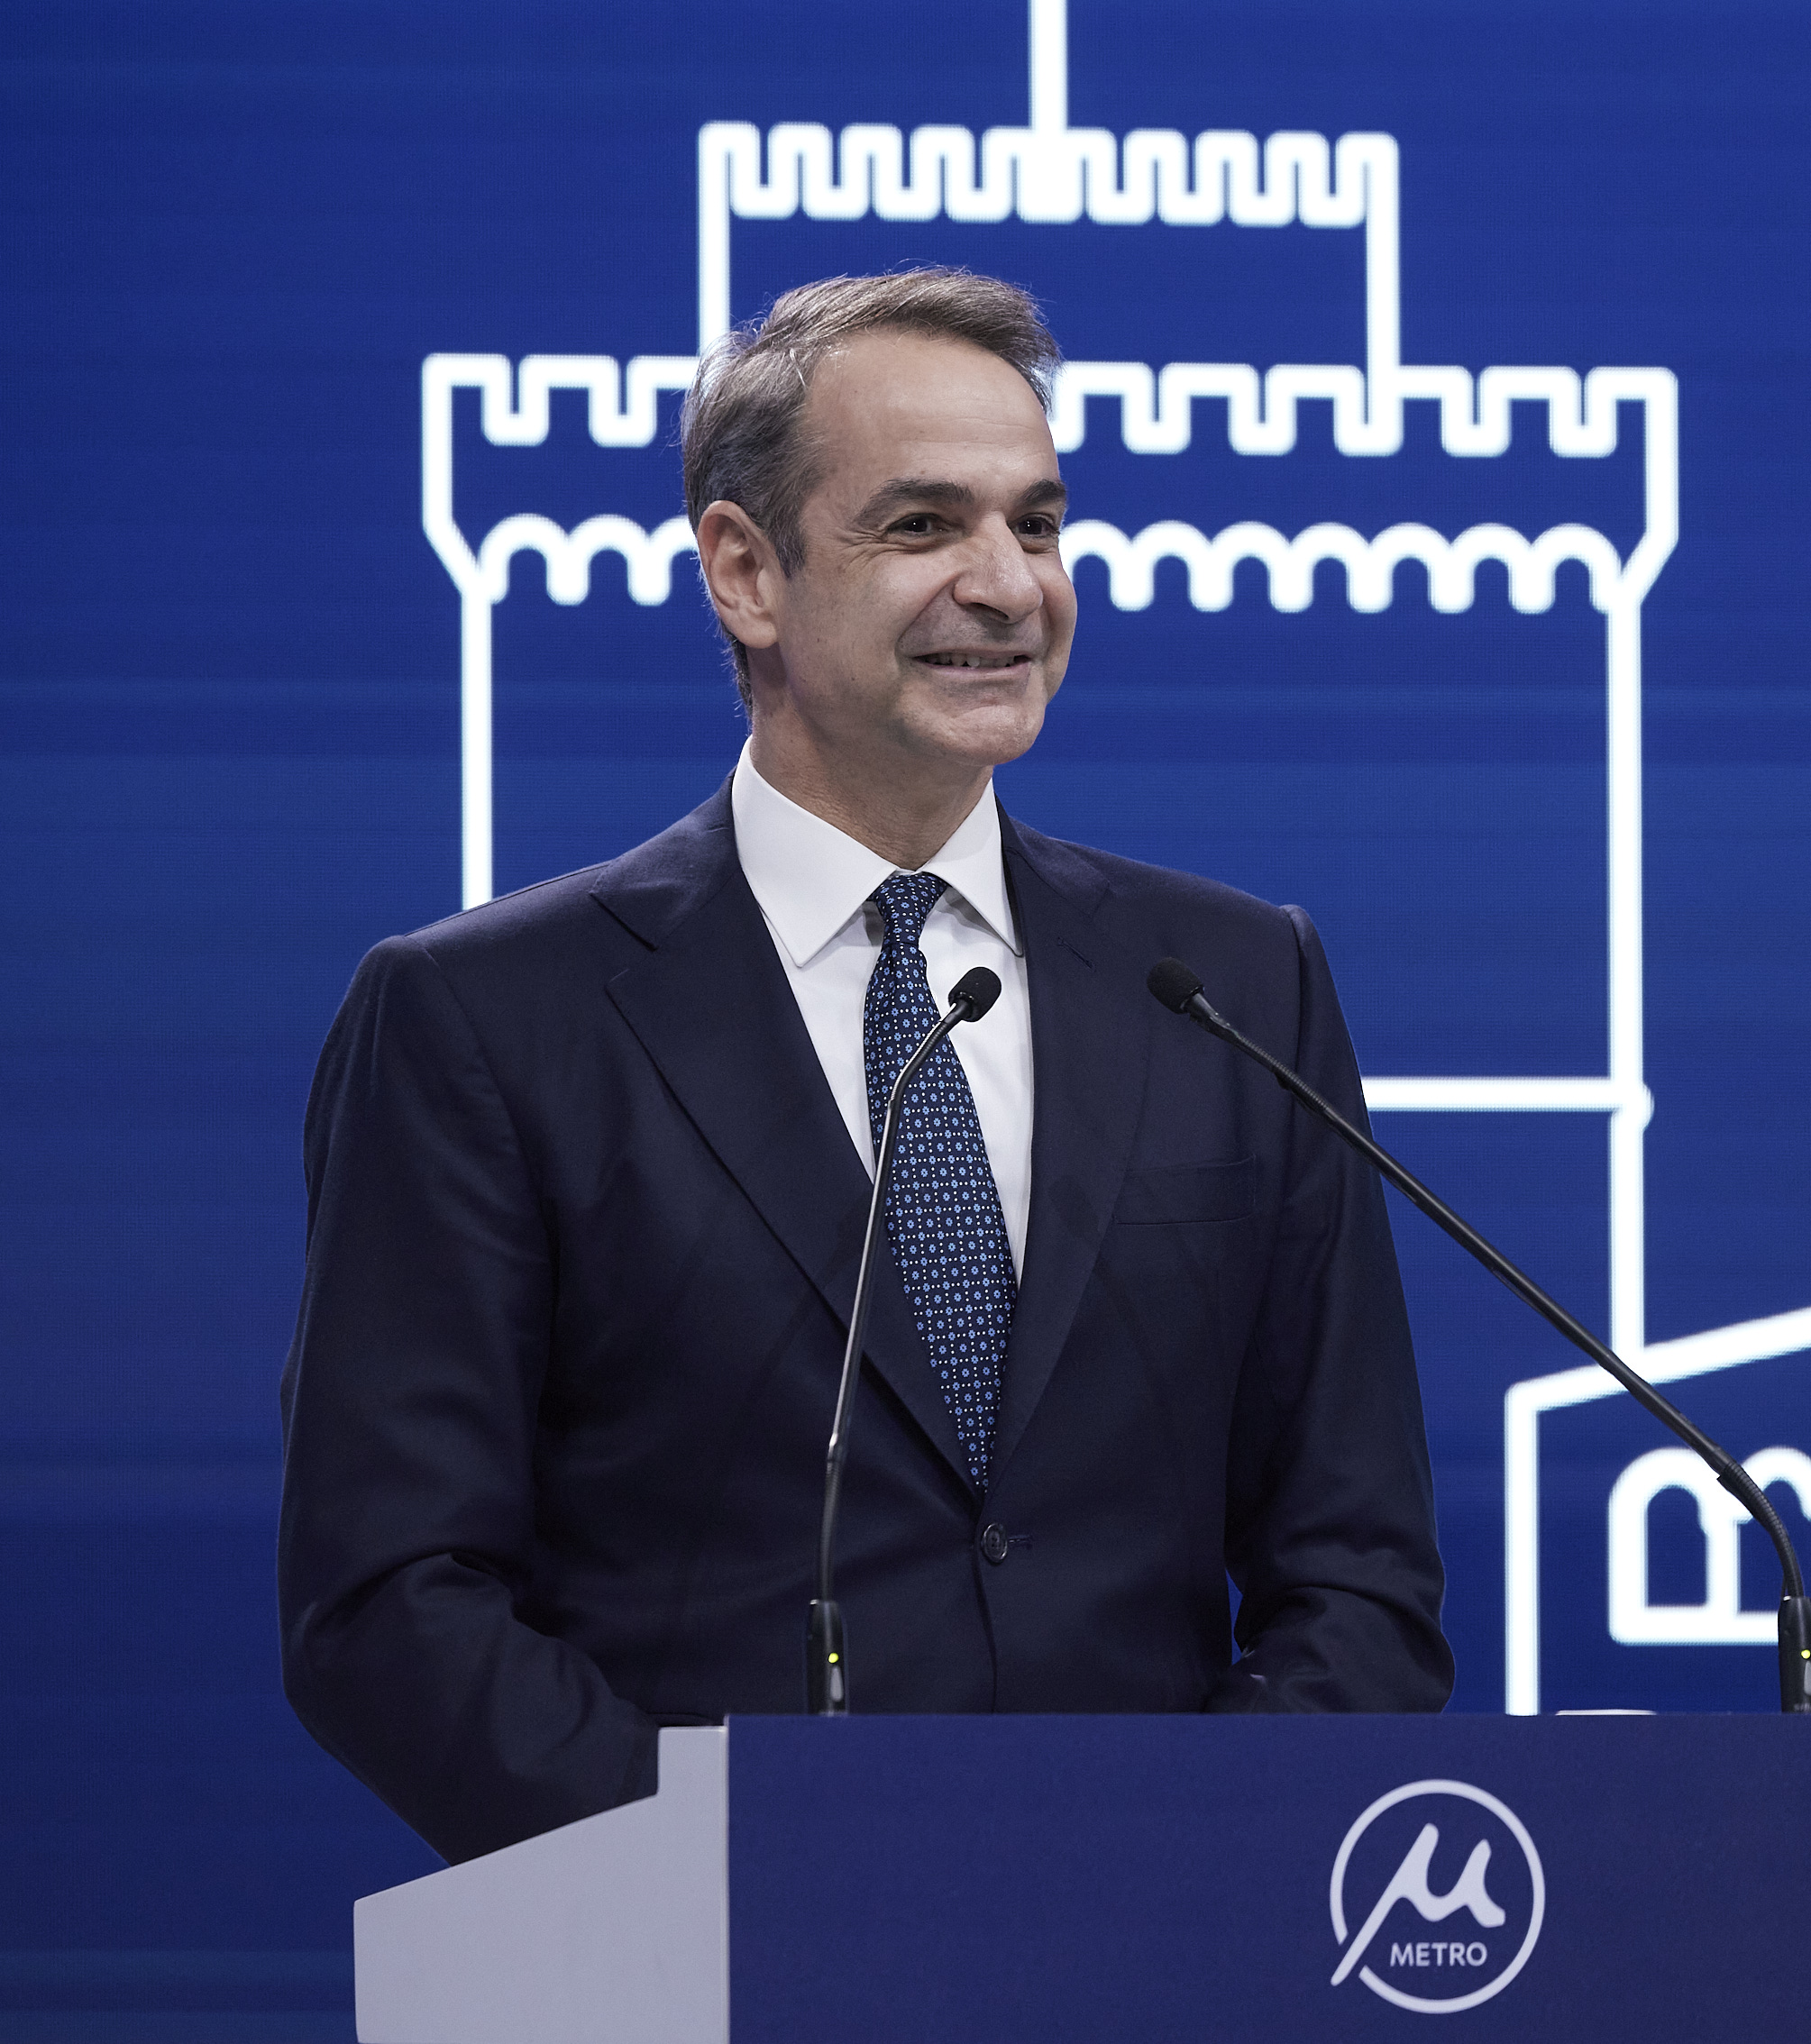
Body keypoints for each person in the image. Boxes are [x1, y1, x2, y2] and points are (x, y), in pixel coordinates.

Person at [279, 268, 1452, 1865]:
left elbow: (1360, 1574)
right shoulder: (481, 1021)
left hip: (1167, 1937)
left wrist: (1179, 1871)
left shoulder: (1234, 985)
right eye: (922, 527)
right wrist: (755, 1884)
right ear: (745, 573)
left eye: (1037, 524)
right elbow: (391, 1600)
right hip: (700, 1948)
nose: (1009, 586)